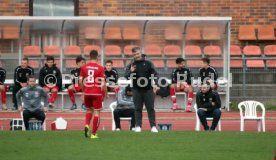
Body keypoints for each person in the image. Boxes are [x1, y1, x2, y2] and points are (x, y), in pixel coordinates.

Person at [125, 47, 159, 133]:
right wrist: (131, 71)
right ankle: (138, 126)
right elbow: (126, 76)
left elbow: (155, 74)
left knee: (150, 108)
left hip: (148, 89)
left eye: (137, 54)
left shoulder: (148, 62)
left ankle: (153, 126)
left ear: (141, 53)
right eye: (134, 55)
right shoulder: (131, 64)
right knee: (137, 108)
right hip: (136, 89)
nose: (136, 56)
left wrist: (156, 83)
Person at [80, 50, 107, 139]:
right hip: (96, 93)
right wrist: (103, 91)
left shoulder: (84, 67)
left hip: (87, 92)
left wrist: (83, 91)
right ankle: (93, 134)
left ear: (89, 57)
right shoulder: (100, 68)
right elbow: (103, 82)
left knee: (89, 110)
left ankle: (87, 125)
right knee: (97, 112)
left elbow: (80, 81)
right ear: (97, 58)